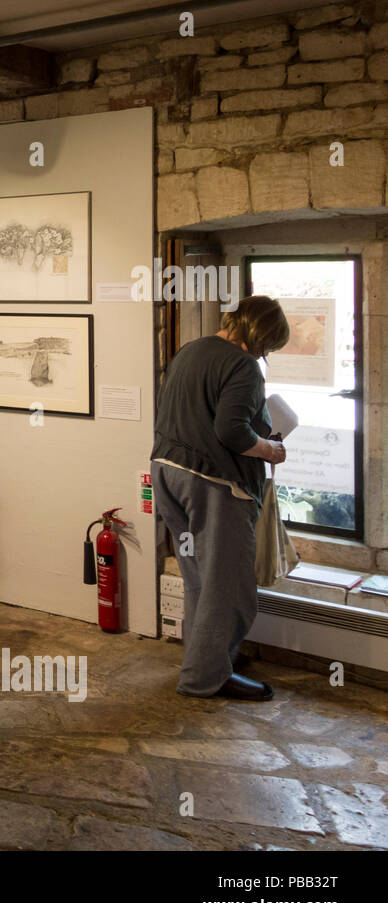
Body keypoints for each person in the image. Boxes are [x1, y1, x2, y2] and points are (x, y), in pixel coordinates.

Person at [151, 295, 291, 701]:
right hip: (211, 483)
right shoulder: (243, 365)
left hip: (167, 471)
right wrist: (270, 450)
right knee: (226, 585)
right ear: (261, 335)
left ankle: (211, 657)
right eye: (269, 345)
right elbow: (231, 432)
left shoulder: (190, 350)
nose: (266, 354)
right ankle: (205, 678)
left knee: (198, 578)